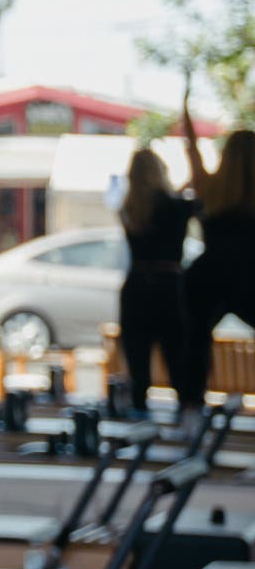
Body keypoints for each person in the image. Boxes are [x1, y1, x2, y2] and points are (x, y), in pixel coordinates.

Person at [173, 85, 255, 411]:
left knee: (195, 342)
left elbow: (191, 149)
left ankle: (190, 409)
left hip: (209, 274)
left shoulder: (211, 187)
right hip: (250, 273)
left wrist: (186, 106)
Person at [117, 146, 193, 408]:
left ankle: (139, 424)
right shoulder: (175, 207)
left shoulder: (128, 209)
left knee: (138, 370)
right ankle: (186, 429)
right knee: (178, 363)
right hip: (168, 287)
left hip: (136, 286)